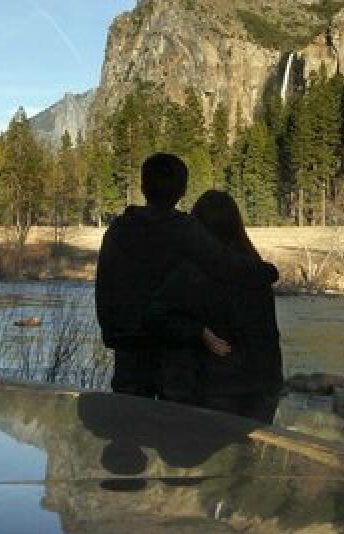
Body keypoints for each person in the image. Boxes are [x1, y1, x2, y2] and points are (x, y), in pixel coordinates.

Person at [95, 153, 278, 398]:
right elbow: (226, 265)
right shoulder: (184, 230)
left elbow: (103, 288)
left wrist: (112, 332)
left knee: (131, 425)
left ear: (142, 187)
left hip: (127, 351)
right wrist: (269, 271)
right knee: (174, 426)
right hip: (173, 355)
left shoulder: (118, 230)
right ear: (182, 191)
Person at [144, 190, 283, 423]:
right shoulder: (257, 271)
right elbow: (264, 334)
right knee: (248, 457)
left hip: (216, 386)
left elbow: (154, 317)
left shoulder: (189, 273)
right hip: (263, 385)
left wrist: (198, 332)